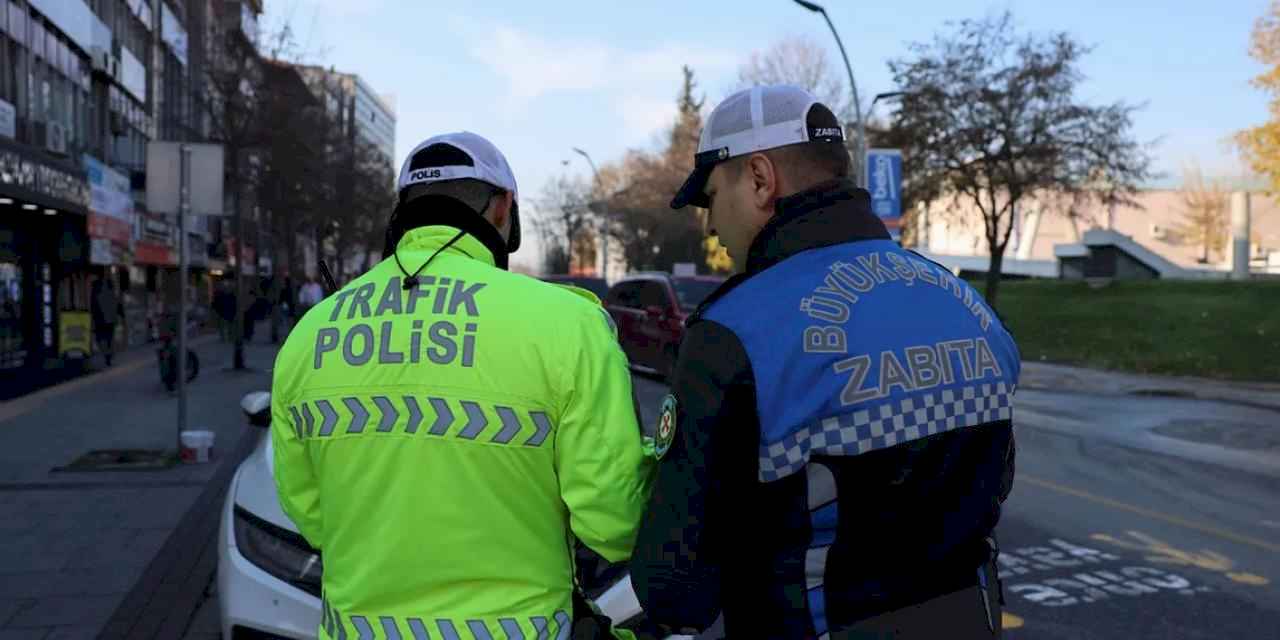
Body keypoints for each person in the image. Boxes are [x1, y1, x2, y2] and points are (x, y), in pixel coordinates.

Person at [629, 85, 1021, 639]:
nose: (712, 225)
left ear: (761, 179)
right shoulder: (969, 307)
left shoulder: (735, 333)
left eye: (712, 197)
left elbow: (675, 589)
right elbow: (994, 485)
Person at [270, 131, 655, 639]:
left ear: (401, 213)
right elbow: (616, 522)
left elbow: (312, 518)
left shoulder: (309, 336)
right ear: (504, 210)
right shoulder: (568, 326)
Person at [91, 276, 121, 366]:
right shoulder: (111, 293)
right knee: (109, 338)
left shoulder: (95, 293)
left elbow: (94, 308)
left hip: (100, 320)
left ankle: (107, 354)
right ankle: (108, 354)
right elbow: (117, 305)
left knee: (101, 338)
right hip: (109, 320)